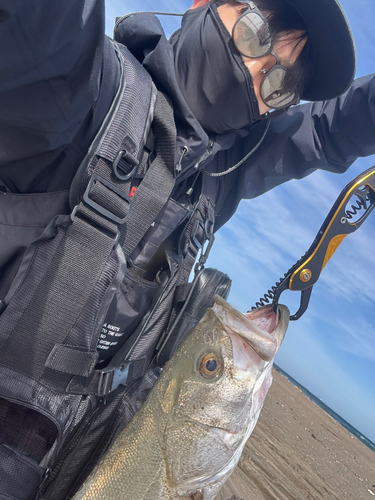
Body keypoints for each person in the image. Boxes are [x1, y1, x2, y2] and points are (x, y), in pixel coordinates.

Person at [0, 0, 375, 497]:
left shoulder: (219, 177)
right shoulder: (80, 88)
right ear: (203, 4)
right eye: (256, 33)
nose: (257, 70)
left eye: (278, 86)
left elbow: (332, 130)